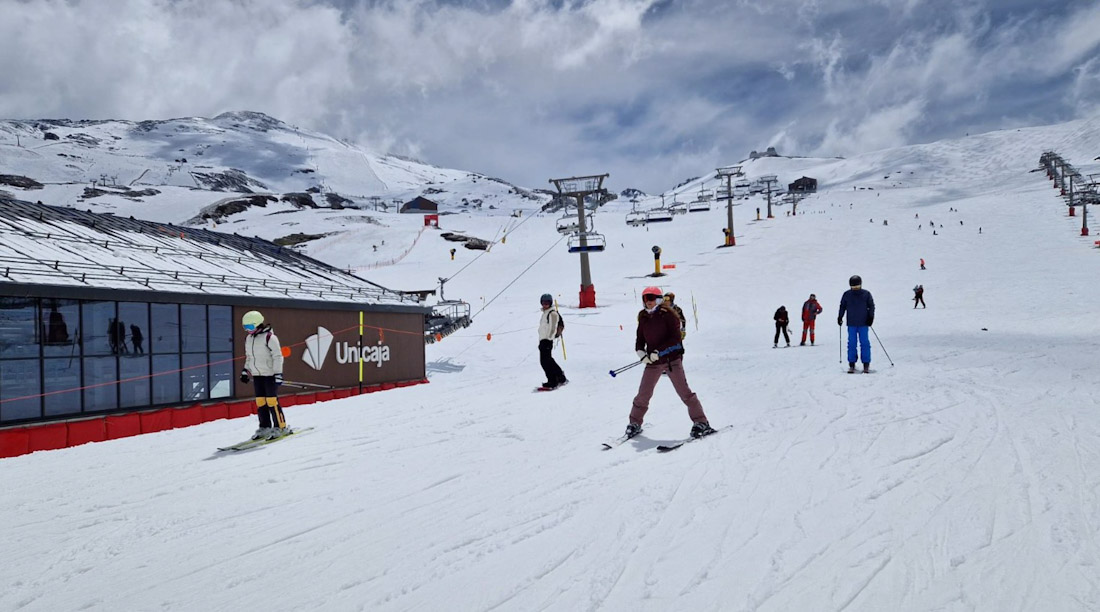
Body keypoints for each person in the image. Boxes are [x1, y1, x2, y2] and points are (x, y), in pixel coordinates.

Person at [625, 286, 712, 439]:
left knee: (684, 392)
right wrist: (641, 352)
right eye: (645, 298)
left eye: (651, 298)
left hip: (672, 360)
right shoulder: (643, 317)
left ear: (658, 299)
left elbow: (675, 339)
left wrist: (658, 352)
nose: (648, 301)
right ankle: (634, 423)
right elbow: (640, 339)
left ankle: (701, 422)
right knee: (643, 394)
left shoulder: (669, 315)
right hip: (653, 362)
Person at [240, 310, 288, 440]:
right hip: (257, 375)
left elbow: (278, 357)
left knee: (272, 401)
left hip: (270, 374)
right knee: (260, 401)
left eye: (250, 327)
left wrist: (278, 373)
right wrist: (246, 370)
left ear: (257, 324)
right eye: (245, 327)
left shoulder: (270, 337)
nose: (248, 330)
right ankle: (265, 426)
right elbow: (249, 357)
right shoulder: (249, 339)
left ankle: (280, 426)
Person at [838, 275, 875, 373]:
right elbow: (842, 306)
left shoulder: (866, 294)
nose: (855, 289)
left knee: (864, 343)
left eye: (857, 286)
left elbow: (871, 306)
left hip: (863, 323)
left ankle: (866, 364)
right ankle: (852, 363)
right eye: (854, 287)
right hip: (852, 323)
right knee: (852, 343)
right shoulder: (847, 294)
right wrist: (840, 316)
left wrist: (871, 317)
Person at [537, 294, 567, 390]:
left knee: (545, 362)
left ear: (550, 303)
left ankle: (553, 380)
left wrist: (549, 339)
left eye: (547, 303)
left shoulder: (552, 313)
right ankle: (560, 377)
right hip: (543, 340)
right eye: (543, 303)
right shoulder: (545, 313)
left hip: (547, 340)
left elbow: (553, 328)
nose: (545, 305)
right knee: (547, 360)